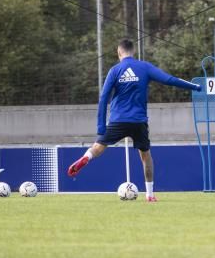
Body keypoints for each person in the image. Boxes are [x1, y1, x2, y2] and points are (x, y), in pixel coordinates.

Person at [67, 38, 201, 201]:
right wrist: (195, 86)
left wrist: (101, 126)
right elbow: (169, 79)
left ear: (118, 52)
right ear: (133, 51)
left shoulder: (115, 70)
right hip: (138, 121)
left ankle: (86, 158)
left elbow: (103, 98)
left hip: (118, 120)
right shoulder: (144, 67)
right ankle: (150, 195)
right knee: (145, 156)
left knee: (99, 146)